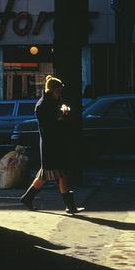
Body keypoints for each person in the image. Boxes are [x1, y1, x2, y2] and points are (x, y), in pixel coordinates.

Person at [19, 76, 83, 214]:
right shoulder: (43, 105)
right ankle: (70, 206)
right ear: (53, 90)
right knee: (61, 175)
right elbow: (51, 126)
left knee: (44, 176)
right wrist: (63, 116)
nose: (60, 94)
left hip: (51, 145)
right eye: (58, 91)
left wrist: (62, 114)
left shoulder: (50, 102)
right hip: (51, 145)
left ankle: (27, 198)